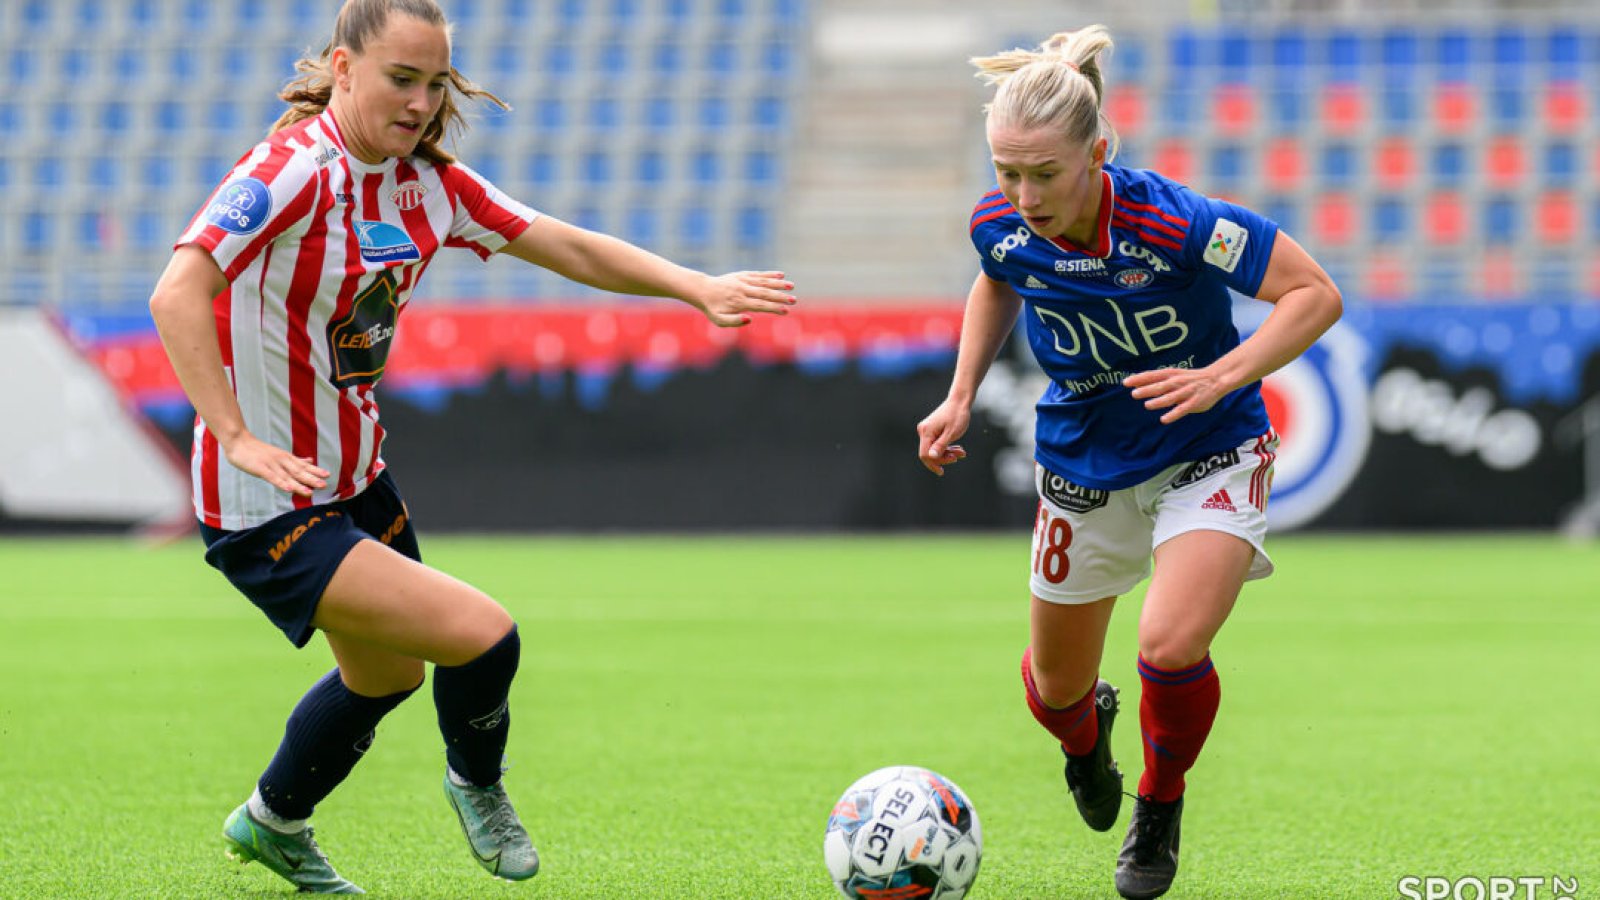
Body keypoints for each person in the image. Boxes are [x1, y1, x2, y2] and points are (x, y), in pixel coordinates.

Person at [147, 0, 796, 893]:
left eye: (434, 83)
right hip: (269, 500)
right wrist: (233, 436)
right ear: (343, 69)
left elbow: (560, 241)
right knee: (483, 637)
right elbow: (177, 292)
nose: (419, 103)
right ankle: (477, 786)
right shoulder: (291, 171)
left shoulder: (429, 185)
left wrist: (695, 287)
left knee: (388, 678)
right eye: (399, 79)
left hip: (354, 480)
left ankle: (271, 822)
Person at [916, 25, 1341, 900]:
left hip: (1208, 447)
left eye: (1045, 173)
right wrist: (960, 394)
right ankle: (1086, 741)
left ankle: (1160, 803)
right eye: (1006, 172)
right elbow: (998, 275)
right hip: (1083, 462)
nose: (1024, 195)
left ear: (1098, 152)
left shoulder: (1178, 221)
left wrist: (1220, 374)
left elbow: (1314, 293)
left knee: (1170, 644)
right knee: (1054, 693)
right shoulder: (999, 222)